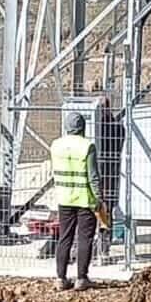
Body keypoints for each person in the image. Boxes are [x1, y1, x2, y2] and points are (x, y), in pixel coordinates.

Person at [50, 111, 102, 291]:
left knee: (64, 237)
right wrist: (98, 199)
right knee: (84, 238)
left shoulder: (56, 145)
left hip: (64, 198)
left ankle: (60, 278)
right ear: (83, 127)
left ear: (66, 127)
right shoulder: (87, 146)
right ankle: (81, 278)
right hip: (85, 200)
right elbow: (93, 176)